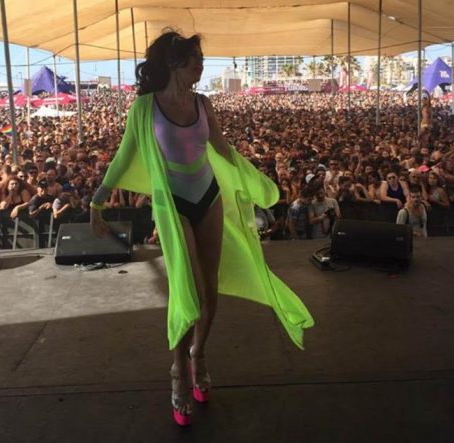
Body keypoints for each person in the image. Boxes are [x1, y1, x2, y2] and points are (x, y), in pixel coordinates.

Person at [89, 30, 313, 426]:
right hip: (172, 204)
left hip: (208, 197)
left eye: (201, 58)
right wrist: (97, 201)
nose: (201, 64)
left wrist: (255, 179)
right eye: (195, 58)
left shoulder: (203, 103)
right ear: (173, 63)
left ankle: (199, 353)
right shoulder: (144, 108)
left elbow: (222, 148)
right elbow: (125, 156)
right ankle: (178, 370)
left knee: (209, 292)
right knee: (186, 289)